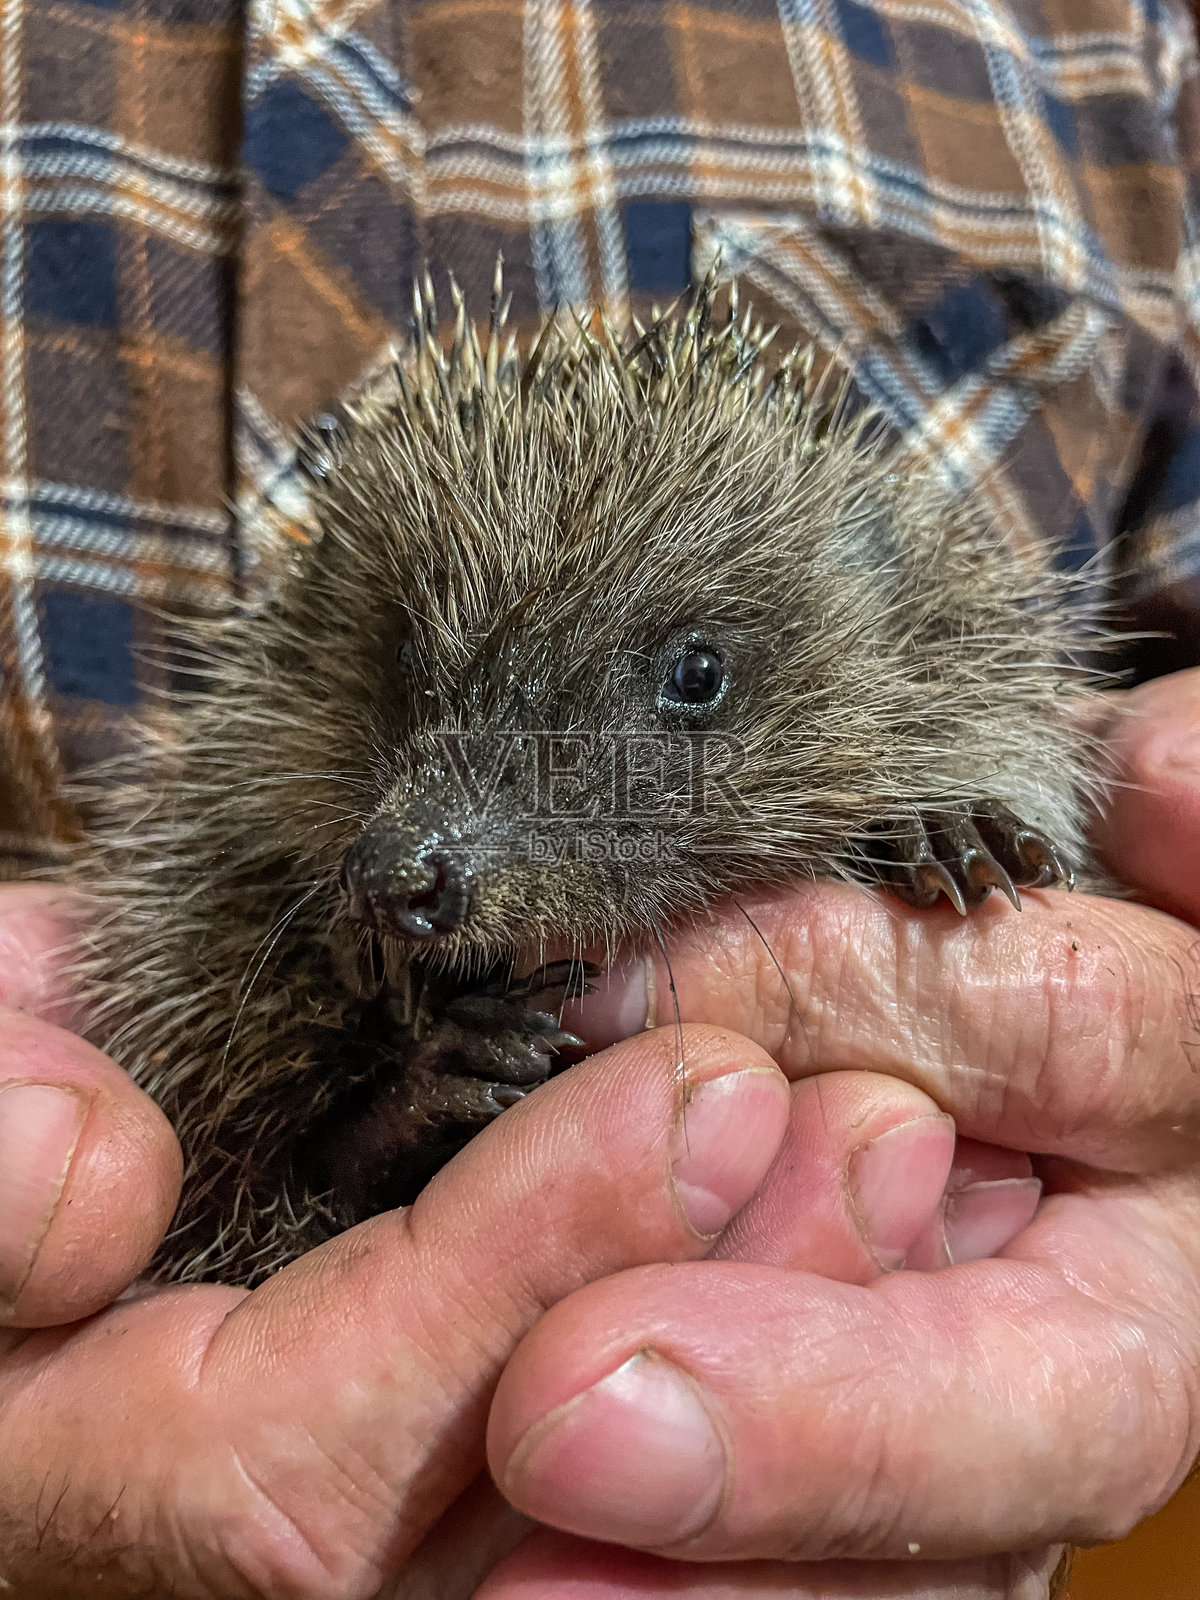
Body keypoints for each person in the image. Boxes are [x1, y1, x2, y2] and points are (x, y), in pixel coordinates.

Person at [1, 0, 1200, 1594]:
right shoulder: (286, 781)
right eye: (413, 683)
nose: (428, 839)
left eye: (689, 684)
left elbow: (1117, 767)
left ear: (875, 617)